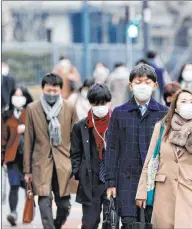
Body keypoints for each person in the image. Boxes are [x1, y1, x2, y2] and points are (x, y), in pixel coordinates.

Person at [135, 88, 192, 228]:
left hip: (191, 195)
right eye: (183, 101)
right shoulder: (161, 128)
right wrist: (141, 192)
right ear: (176, 107)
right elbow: (149, 161)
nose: (188, 105)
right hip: (164, 196)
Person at [104, 63, 168, 228]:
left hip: (155, 181)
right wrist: (110, 182)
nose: (143, 86)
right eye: (138, 82)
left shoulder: (164, 113)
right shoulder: (120, 113)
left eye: (147, 82)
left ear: (154, 86)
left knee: (152, 223)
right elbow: (112, 149)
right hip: (126, 179)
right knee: (129, 223)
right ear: (131, 86)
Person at [23, 73, 78, 229]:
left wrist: (76, 163)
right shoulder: (32, 109)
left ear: (60, 90)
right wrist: (27, 170)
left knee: (65, 205)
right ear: (42, 89)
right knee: (44, 200)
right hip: (41, 162)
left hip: (63, 164)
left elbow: (76, 138)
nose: (52, 94)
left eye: (55, 91)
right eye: (48, 90)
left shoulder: (69, 108)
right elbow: (28, 140)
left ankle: (56, 225)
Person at [71, 84, 115, 229]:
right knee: (89, 223)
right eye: (96, 103)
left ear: (109, 102)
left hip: (112, 181)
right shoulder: (81, 126)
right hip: (90, 181)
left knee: (110, 223)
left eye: (103, 103)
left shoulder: (116, 123)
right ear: (90, 103)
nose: (100, 106)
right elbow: (75, 153)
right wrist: (79, 173)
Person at [1, 86, 33, 226]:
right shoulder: (6, 115)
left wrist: (27, 129)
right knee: (14, 184)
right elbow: (2, 137)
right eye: (16, 95)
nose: (18, 98)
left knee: (28, 186)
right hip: (12, 157)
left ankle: (30, 209)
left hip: (29, 157)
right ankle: (13, 213)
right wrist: (2, 157)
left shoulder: (32, 113)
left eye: (21, 95)